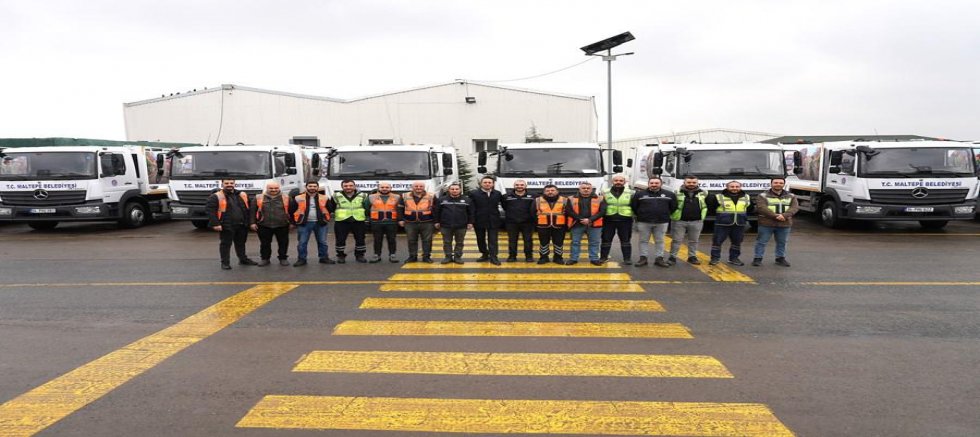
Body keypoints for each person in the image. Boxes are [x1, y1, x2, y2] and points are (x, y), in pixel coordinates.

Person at [205, 179, 257, 270]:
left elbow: (248, 209)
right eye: (226, 183)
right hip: (226, 225)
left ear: (234, 183)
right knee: (225, 244)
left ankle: (243, 259)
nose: (229, 185)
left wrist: (250, 222)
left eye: (231, 183)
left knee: (241, 243)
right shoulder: (215, 196)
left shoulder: (242, 195)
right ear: (222, 184)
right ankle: (225, 263)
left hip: (242, 224)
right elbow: (210, 211)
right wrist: (215, 223)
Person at [631, 177, 677, 267]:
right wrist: (642, 214)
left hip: (662, 222)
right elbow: (634, 206)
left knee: (660, 241)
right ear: (648, 184)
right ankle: (643, 258)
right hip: (644, 222)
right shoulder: (639, 194)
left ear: (661, 184)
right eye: (652, 183)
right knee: (643, 241)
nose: (654, 185)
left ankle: (659, 259)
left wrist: (664, 214)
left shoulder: (669, 194)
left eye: (656, 183)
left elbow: (673, 207)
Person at [753, 177, 799, 267]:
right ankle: (757, 259)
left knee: (782, 242)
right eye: (776, 182)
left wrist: (784, 216)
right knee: (761, 242)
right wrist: (776, 216)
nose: (778, 184)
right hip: (766, 223)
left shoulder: (791, 196)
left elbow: (794, 208)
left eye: (781, 183)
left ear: (784, 184)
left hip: (784, 223)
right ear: (771, 184)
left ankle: (780, 258)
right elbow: (761, 208)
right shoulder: (762, 196)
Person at [706, 180, 752, 266]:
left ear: (740, 187)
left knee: (737, 242)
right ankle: (715, 258)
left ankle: (734, 258)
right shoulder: (719, 197)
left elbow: (750, 209)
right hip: (722, 224)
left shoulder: (746, 197)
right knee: (717, 242)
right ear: (727, 187)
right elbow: (711, 208)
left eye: (737, 187)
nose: (734, 188)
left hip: (739, 223)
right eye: (732, 187)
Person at [289, 180, 333, 267]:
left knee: (322, 242)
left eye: (314, 186)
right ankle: (302, 259)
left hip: (320, 223)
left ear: (317, 187)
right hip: (304, 223)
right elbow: (291, 210)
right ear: (306, 187)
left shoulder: (324, 197)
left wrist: (325, 219)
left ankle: (324, 258)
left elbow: (330, 209)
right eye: (310, 186)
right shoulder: (298, 198)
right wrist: (293, 223)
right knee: (302, 242)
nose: (312, 188)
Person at [249, 181, 292, 266]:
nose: (273, 190)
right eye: (271, 188)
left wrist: (292, 223)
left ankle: (283, 258)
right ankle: (265, 259)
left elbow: (292, 211)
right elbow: (252, 211)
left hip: (282, 224)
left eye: (276, 188)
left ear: (279, 188)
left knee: (283, 243)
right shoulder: (258, 197)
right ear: (267, 188)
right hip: (264, 224)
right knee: (265, 244)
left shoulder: (286, 197)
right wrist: (252, 223)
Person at [668, 175, 708, 266]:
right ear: (684, 183)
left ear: (697, 183)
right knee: (676, 240)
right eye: (689, 182)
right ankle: (672, 257)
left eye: (694, 182)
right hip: (679, 221)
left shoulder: (704, 193)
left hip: (697, 221)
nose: (691, 184)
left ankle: (692, 257)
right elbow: (670, 205)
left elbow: (709, 204)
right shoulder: (676, 192)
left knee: (694, 241)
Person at [565, 182, 606, 266]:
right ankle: (573, 258)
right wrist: (581, 219)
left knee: (594, 242)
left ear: (592, 189)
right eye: (583, 188)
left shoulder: (600, 198)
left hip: (594, 224)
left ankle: (594, 259)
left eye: (588, 188)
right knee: (575, 242)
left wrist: (590, 220)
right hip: (576, 224)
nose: (586, 189)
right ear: (579, 189)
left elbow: (602, 211)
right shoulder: (571, 198)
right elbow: (568, 211)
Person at [434, 183, 473, 264]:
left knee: (459, 242)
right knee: (447, 242)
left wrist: (470, 222)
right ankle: (448, 257)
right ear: (449, 190)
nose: (454, 190)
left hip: (461, 225)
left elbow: (471, 212)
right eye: (452, 189)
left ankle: (457, 257)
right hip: (445, 225)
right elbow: (437, 211)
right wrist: (436, 221)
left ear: (460, 190)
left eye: (456, 189)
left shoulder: (467, 200)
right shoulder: (441, 200)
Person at [398, 181, 436, 263]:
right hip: (410, 222)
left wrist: (436, 221)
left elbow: (436, 209)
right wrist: (400, 219)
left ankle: (426, 257)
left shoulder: (431, 196)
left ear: (424, 187)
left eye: (421, 186)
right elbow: (400, 208)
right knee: (411, 240)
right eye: (416, 186)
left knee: (427, 240)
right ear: (412, 187)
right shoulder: (404, 195)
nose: (418, 188)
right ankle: (412, 256)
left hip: (427, 221)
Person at [468, 176, 503, 265]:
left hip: (493, 220)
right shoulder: (474, 194)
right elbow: (471, 208)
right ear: (481, 184)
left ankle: (494, 257)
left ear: (493, 184)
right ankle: (484, 254)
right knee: (480, 239)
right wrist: (471, 221)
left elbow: (504, 205)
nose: (487, 184)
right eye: (485, 182)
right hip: (479, 220)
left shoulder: (498, 194)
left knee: (493, 240)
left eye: (489, 182)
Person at [332, 179, 369, 263]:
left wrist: (366, 218)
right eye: (345, 186)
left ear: (354, 186)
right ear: (342, 187)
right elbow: (332, 207)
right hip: (341, 221)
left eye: (350, 185)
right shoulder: (336, 195)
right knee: (340, 239)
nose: (348, 187)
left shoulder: (363, 195)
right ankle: (340, 256)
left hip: (358, 220)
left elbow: (367, 207)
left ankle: (360, 255)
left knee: (360, 239)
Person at [600, 174, 633, 265]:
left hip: (625, 220)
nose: (618, 182)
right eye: (616, 180)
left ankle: (627, 259)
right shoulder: (604, 192)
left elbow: (635, 206)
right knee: (606, 239)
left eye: (621, 181)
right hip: (608, 220)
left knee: (625, 240)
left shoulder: (631, 192)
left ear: (624, 182)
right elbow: (600, 205)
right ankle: (603, 257)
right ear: (612, 182)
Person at [502, 179, 536, 263]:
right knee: (512, 240)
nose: (519, 186)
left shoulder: (533, 196)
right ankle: (512, 256)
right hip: (512, 222)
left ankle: (529, 256)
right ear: (514, 186)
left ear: (525, 186)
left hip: (528, 222)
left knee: (528, 240)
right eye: (517, 185)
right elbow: (504, 207)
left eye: (521, 185)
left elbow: (535, 208)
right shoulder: (506, 196)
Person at [366, 182, 401, 263]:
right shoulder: (371, 197)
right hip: (376, 222)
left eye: (387, 187)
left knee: (392, 239)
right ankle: (377, 255)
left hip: (391, 222)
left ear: (390, 188)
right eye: (382, 187)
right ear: (378, 188)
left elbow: (399, 209)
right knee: (377, 239)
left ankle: (392, 255)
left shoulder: (397, 197)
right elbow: (366, 208)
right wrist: (369, 218)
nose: (384, 189)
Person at [535, 184, 567, 265]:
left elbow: (569, 213)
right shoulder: (537, 200)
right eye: (547, 191)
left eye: (552, 190)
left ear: (557, 191)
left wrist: (567, 226)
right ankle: (543, 257)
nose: (550, 192)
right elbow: (532, 213)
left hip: (560, 225)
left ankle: (558, 257)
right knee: (543, 242)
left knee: (559, 242)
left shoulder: (564, 200)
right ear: (544, 192)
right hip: (542, 226)